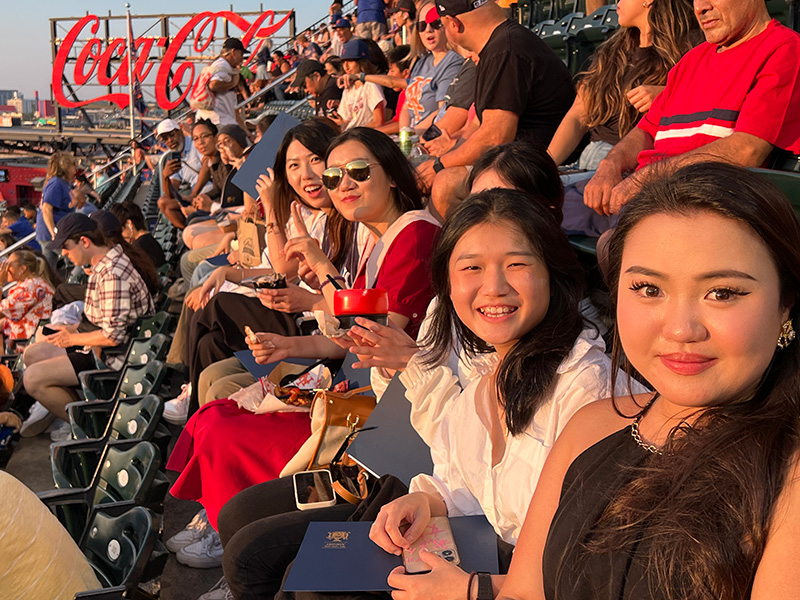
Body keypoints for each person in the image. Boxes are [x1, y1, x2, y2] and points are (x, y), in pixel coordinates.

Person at [218, 187, 641, 600]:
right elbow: (463, 478)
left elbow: (591, 570)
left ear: (553, 273)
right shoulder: (489, 371)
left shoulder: (587, 392)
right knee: (286, 566)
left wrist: (474, 589)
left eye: (516, 264)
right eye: (471, 268)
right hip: (480, 550)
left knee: (307, 584)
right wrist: (427, 499)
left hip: (515, 581)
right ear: (448, 284)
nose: (494, 287)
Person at [497, 162, 800, 600]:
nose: (680, 329)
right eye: (648, 289)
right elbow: (523, 593)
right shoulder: (590, 427)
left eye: (723, 293)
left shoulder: (787, 475)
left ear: (785, 303)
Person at [164, 128, 439, 572]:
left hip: (388, 418)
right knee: (215, 411)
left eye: (357, 171)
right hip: (365, 394)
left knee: (222, 425)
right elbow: (353, 331)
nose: (341, 185)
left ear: (391, 173)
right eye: (333, 177)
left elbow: (370, 333)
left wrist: (322, 271)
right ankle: (224, 525)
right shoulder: (377, 237)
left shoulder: (415, 234)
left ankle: (232, 534)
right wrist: (291, 340)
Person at [582, 0, 800, 218]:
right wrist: (609, 165)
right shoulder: (691, 60)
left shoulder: (783, 49)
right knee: (556, 205)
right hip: (651, 198)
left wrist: (646, 178)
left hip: (706, 206)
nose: (700, 7)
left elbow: (747, 151)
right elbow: (647, 131)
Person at [420, 0, 575, 216]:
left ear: (454, 24)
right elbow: (478, 127)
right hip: (519, 160)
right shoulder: (500, 44)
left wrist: (439, 166)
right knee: (431, 171)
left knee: (446, 184)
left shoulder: (506, 50)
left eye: (443, 26)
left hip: (538, 168)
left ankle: (463, 249)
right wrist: (444, 157)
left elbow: (495, 137)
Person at [19, 214, 153, 436]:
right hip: (101, 347)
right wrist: (70, 330)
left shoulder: (112, 274)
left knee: (31, 378)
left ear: (85, 241)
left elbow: (113, 336)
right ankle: (63, 406)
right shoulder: (104, 265)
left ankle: (91, 427)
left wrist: (72, 338)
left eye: (66, 246)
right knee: (32, 353)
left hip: (113, 357)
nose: (63, 253)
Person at [547, 0, 699, 171]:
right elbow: (579, 115)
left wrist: (665, 95)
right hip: (589, 159)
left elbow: (707, 99)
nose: (617, 1)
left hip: (632, 165)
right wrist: (546, 166)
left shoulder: (690, 48)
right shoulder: (612, 50)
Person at [400, 3, 463, 132]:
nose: (428, 29)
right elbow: (406, 108)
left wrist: (412, 136)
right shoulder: (421, 62)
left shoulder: (453, 61)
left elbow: (442, 112)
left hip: (433, 137)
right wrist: (404, 134)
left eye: (435, 23)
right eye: (422, 26)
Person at [155, 118, 213, 229]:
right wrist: (165, 177)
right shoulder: (173, 156)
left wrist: (193, 194)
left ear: (180, 131)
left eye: (172, 135)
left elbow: (207, 165)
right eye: (165, 139)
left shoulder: (194, 144)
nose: (169, 141)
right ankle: (187, 231)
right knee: (163, 202)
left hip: (209, 190)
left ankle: (193, 231)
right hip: (194, 195)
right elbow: (171, 193)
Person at [330, 39, 387, 130]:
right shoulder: (348, 88)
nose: (346, 66)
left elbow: (378, 122)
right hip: (352, 136)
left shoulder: (371, 85)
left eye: (350, 61)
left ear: (362, 62)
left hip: (366, 138)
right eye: (344, 62)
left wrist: (355, 130)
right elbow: (346, 121)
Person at [0, 250, 55, 343]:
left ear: (22, 269)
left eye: (8, 264)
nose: (5, 269)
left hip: (30, 343)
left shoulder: (29, 287)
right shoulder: (32, 283)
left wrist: (0, 283)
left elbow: (1, 311)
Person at [195, 37, 250, 130]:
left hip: (217, 119)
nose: (242, 58)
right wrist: (233, 84)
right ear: (233, 52)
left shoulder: (223, 65)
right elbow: (213, 85)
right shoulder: (222, 65)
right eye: (241, 54)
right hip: (217, 121)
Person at [37, 151, 76, 267]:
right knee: (76, 260)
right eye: (73, 165)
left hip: (52, 233)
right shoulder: (56, 184)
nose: (76, 169)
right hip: (52, 234)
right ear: (66, 167)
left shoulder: (63, 183)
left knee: (49, 269)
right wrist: (53, 232)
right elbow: (46, 209)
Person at [108, 202, 167, 269]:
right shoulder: (148, 239)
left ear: (129, 224)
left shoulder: (138, 248)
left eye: (120, 230)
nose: (121, 235)